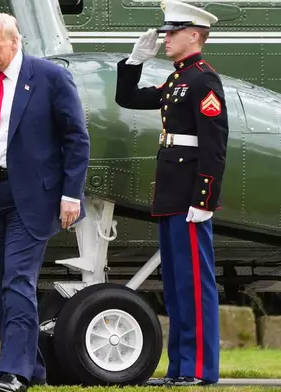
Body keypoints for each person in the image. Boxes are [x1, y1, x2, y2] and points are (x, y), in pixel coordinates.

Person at [0, 12, 90, 392]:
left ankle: (12, 373)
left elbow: (76, 139)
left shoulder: (49, 77)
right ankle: (36, 369)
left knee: (17, 280)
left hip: (33, 198)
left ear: (15, 42)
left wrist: (70, 195)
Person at [115, 0, 227, 387]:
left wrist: (204, 200)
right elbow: (128, 99)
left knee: (195, 286)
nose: (165, 39)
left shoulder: (203, 80)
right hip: (170, 195)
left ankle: (198, 370)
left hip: (189, 199)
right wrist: (133, 62)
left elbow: (214, 146)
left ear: (194, 35)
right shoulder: (179, 79)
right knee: (179, 287)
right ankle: (181, 368)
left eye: (172, 32)